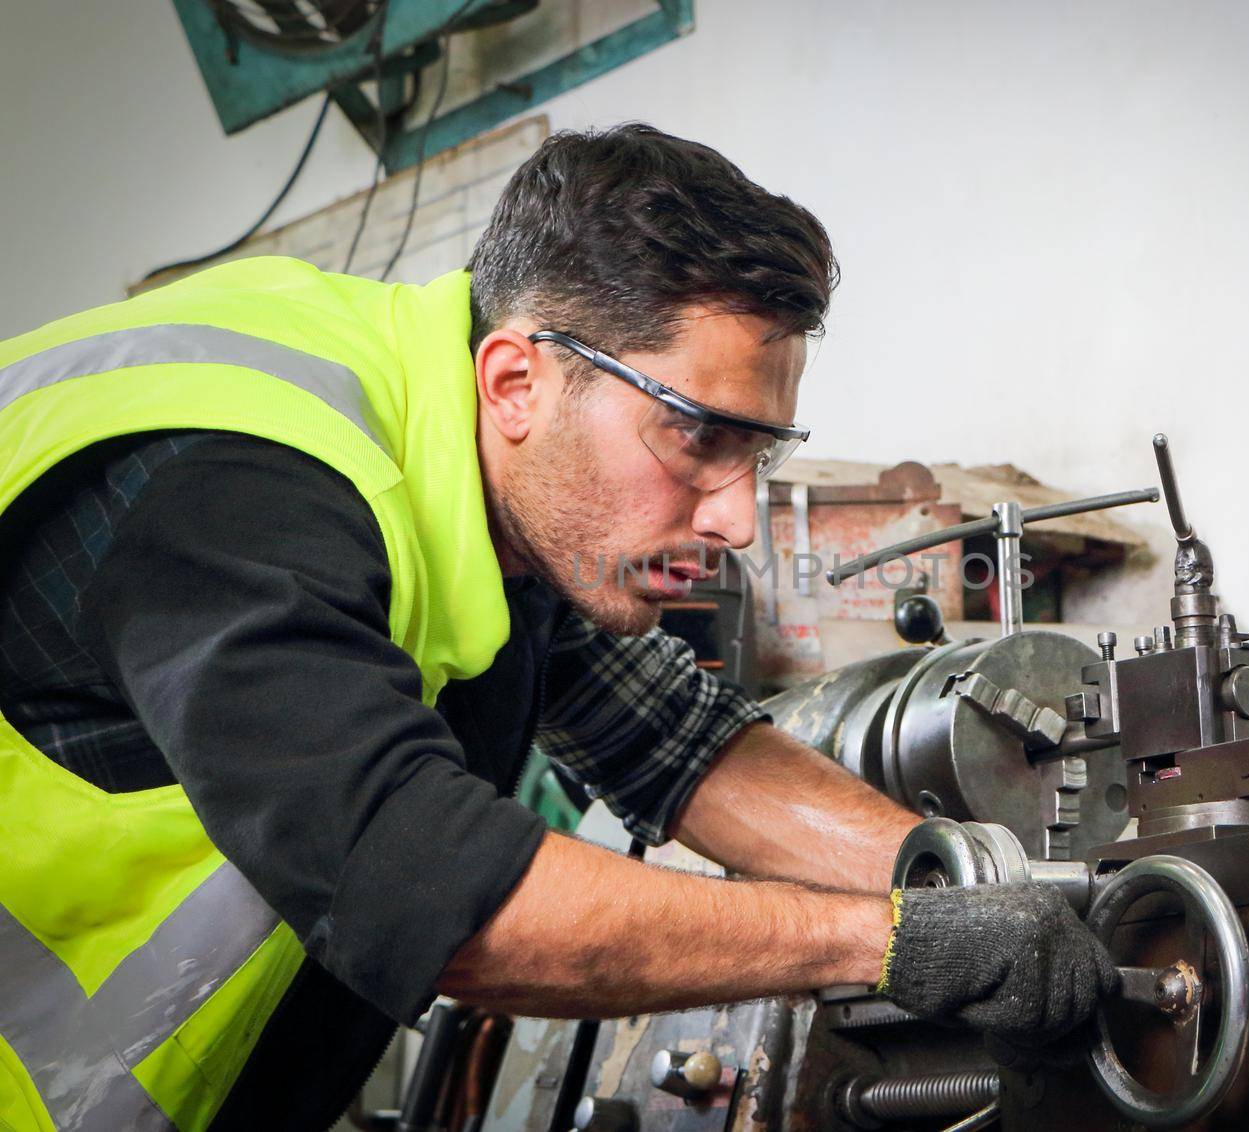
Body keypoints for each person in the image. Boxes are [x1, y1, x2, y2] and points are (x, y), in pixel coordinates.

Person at [0, 124, 1117, 1130]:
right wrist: (886, 941)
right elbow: (446, 906)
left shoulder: (498, 485)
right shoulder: (237, 493)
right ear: (518, 378)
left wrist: (974, 893)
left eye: (760, 454)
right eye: (697, 439)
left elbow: (681, 749)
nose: (735, 516)